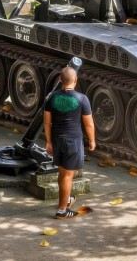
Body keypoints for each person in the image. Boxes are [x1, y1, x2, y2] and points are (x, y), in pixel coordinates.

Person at [43, 67, 95, 219]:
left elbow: (47, 123)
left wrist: (48, 142)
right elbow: (89, 124)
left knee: (62, 172)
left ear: (60, 80)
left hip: (57, 139)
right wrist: (92, 140)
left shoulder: (51, 97)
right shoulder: (82, 98)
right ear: (76, 80)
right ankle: (61, 210)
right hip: (73, 141)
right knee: (68, 175)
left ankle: (66, 199)